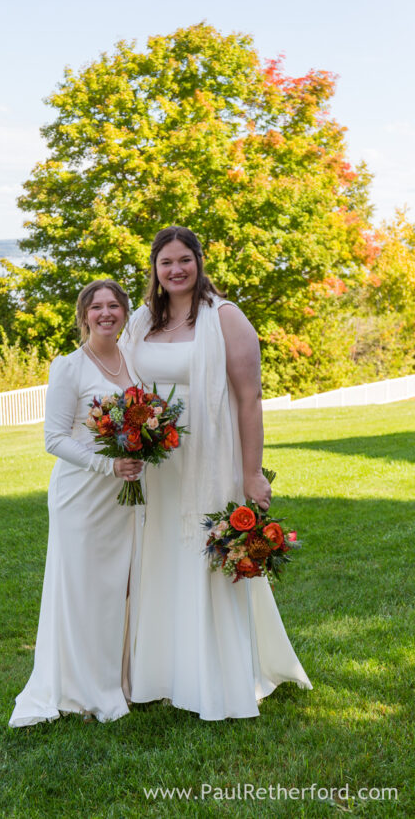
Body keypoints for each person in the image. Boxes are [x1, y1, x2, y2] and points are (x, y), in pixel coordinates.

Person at [123, 226, 311, 720]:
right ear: (155, 270)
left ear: (199, 262)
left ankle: (217, 676)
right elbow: (123, 383)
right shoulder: (142, 320)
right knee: (159, 554)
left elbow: (249, 399)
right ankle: (161, 673)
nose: (176, 269)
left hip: (210, 457)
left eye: (184, 259)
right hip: (158, 465)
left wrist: (252, 474)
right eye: (166, 262)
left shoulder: (226, 318)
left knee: (204, 557)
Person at [9, 279, 141, 726]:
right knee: (84, 590)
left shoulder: (132, 361)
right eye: (96, 307)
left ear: (125, 312)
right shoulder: (69, 366)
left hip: (126, 499)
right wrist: (109, 467)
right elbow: (54, 439)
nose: (106, 313)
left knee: (119, 589)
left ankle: (120, 680)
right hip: (81, 496)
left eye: (114, 306)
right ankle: (82, 692)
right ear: (84, 315)